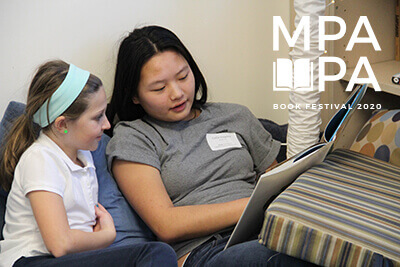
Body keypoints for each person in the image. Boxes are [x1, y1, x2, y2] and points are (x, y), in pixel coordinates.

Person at [106, 26, 316, 266]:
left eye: (183, 77)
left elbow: (276, 179)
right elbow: (166, 224)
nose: (177, 93)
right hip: (208, 250)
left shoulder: (235, 115)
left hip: (268, 229)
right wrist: (254, 206)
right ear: (134, 95)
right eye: (159, 88)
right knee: (280, 259)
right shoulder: (134, 137)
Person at [0, 60, 177, 267]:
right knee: (155, 255)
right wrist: (107, 235)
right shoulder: (41, 159)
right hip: (31, 261)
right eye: (97, 117)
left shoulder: (85, 155)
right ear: (62, 124)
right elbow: (60, 244)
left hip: (70, 260)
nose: (107, 124)